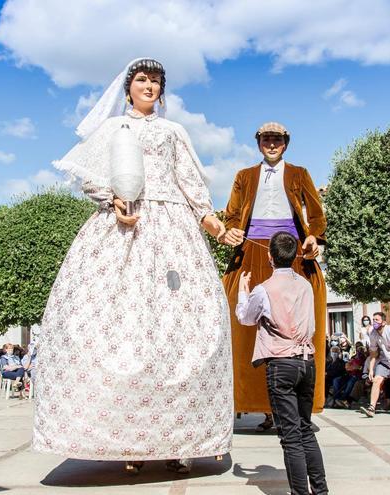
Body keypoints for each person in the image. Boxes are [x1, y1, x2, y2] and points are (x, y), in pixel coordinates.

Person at [34, 58, 233, 474]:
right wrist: (113, 199)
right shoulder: (113, 128)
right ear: (128, 88)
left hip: (173, 228)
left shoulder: (173, 131)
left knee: (179, 332)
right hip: (126, 224)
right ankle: (129, 442)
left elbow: (189, 181)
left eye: (156, 81)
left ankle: (178, 441)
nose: (149, 86)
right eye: (142, 79)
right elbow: (91, 175)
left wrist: (212, 223)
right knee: (125, 330)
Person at [220, 121, 327, 419]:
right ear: (258, 143)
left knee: (296, 317)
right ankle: (251, 401)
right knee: (241, 318)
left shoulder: (299, 173)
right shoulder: (244, 176)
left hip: (290, 250)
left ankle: (295, 404)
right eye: (266, 139)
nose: (271, 144)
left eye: (277, 140)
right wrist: (231, 230)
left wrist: (313, 237)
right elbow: (232, 214)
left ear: (285, 144)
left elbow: (316, 214)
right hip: (252, 249)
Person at [235, 231, 328, 495]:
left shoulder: (264, 289)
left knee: (290, 437)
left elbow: (245, 318)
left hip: (281, 364)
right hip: (307, 361)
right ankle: (320, 491)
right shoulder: (306, 286)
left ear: (270, 257)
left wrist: (243, 292)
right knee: (305, 429)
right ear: (295, 254)